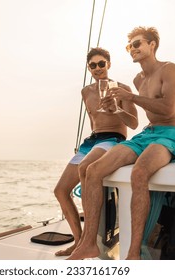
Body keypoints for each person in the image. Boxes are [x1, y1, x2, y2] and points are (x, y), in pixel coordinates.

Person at [67, 26, 175, 260]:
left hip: (172, 134)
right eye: (129, 45)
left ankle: (133, 253)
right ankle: (89, 243)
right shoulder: (138, 78)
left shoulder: (170, 69)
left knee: (140, 172)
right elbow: (144, 116)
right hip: (148, 133)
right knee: (93, 171)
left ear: (152, 45)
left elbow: (167, 109)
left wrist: (130, 97)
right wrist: (116, 108)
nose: (131, 49)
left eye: (137, 43)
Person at [54, 47, 138, 256]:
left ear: (108, 64)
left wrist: (116, 110)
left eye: (102, 63)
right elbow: (93, 121)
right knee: (60, 191)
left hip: (113, 138)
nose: (98, 68)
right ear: (89, 68)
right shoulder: (86, 92)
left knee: (86, 167)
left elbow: (134, 123)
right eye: (93, 65)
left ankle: (89, 243)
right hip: (92, 141)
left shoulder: (122, 89)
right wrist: (87, 147)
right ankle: (78, 241)